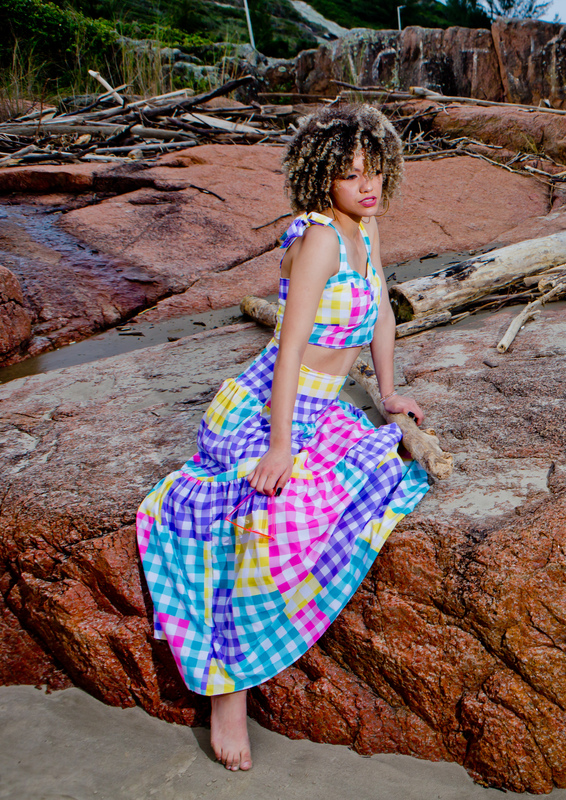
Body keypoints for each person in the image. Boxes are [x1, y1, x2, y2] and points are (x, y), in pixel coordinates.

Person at [136, 103, 430, 772]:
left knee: (383, 471)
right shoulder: (322, 239)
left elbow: (382, 315)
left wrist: (388, 395)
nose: (367, 186)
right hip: (266, 407)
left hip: (320, 407)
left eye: (375, 170)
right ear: (322, 178)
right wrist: (278, 446)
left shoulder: (367, 228)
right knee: (268, 517)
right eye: (351, 174)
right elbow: (290, 348)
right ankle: (227, 690)